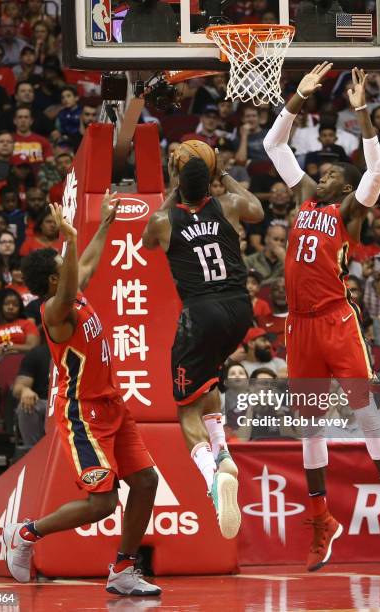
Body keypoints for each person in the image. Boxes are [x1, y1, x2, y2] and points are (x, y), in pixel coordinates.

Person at [263, 63, 380, 571]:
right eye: (322, 171)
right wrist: (298, 98)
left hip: (335, 319)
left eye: (331, 172)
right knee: (310, 428)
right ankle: (320, 519)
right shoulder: (306, 197)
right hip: (300, 325)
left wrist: (360, 112)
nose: (322, 173)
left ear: (343, 186)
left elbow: (376, 171)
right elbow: (273, 146)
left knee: (364, 413)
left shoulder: (349, 209)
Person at [13, 193, 161, 596]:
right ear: (54, 282)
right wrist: (72, 239)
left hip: (113, 406)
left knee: (146, 482)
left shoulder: (74, 293)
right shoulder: (53, 311)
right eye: (65, 267)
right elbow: (75, 274)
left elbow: (89, 264)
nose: (74, 266)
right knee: (101, 505)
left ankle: (123, 570)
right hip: (84, 415)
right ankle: (29, 532)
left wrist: (107, 225)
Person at [142, 151, 263, 540]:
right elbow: (258, 210)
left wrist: (171, 188)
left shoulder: (164, 220)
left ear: (179, 182)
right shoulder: (228, 205)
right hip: (240, 310)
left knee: (185, 408)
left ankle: (213, 480)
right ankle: (223, 453)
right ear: (210, 180)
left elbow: (146, 241)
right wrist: (223, 174)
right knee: (207, 379)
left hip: (201, 313)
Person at [0, 287, 40, 378]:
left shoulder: (27, 324)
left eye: (15, 305)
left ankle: (2, 385)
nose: (11, 307)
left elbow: (33, 347)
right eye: (6, 304)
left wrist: (7, 348)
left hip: (22, 359)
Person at [12, 341, 51, 448]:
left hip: (74, 402)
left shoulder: (82, 351)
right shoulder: (37, 353)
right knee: (27, 406)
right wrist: (25, 390)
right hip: (46, 402)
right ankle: (34, 453)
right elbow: (18, 387)